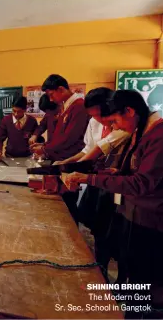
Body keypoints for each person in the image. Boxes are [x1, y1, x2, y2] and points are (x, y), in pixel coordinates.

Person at [64, 90, 163, 319]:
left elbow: (142, 184)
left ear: (129, 111)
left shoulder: (158, 135)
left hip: (151, 221)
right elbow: (140, 171)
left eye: (115, 121)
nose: (116, 127)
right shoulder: (143, 130)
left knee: (145, 282)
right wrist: (117, 172)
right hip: (135, 215)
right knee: (134, 274)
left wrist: (91, 178)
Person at [55, 87, 129, 165]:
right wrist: (65, 163)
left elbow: (99, 148)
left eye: (99, 114)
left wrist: (73, 166)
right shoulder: (93, 121)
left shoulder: (123, 124)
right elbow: (88, 150)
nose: (99, 119)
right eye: (93, 115)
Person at [30, 74, 90, 161]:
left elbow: (69, 138)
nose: (50, 99)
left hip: (71, 158)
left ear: (61, 89)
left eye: (51, 95)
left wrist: (44, 149)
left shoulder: (79, 106)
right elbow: (58, 136)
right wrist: (45, 146)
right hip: (60, 156)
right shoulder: (66, 107)